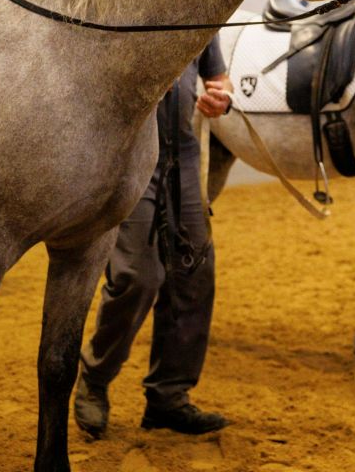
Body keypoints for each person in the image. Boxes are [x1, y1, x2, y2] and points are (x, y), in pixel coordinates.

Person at [74, 37, 233, 437]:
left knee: (195, 277)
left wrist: (222, 98)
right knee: (137, 278)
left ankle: (169, 397)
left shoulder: (202, 12)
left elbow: (219, 78)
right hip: (128, 159)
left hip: (184, 155)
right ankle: (94, 379)